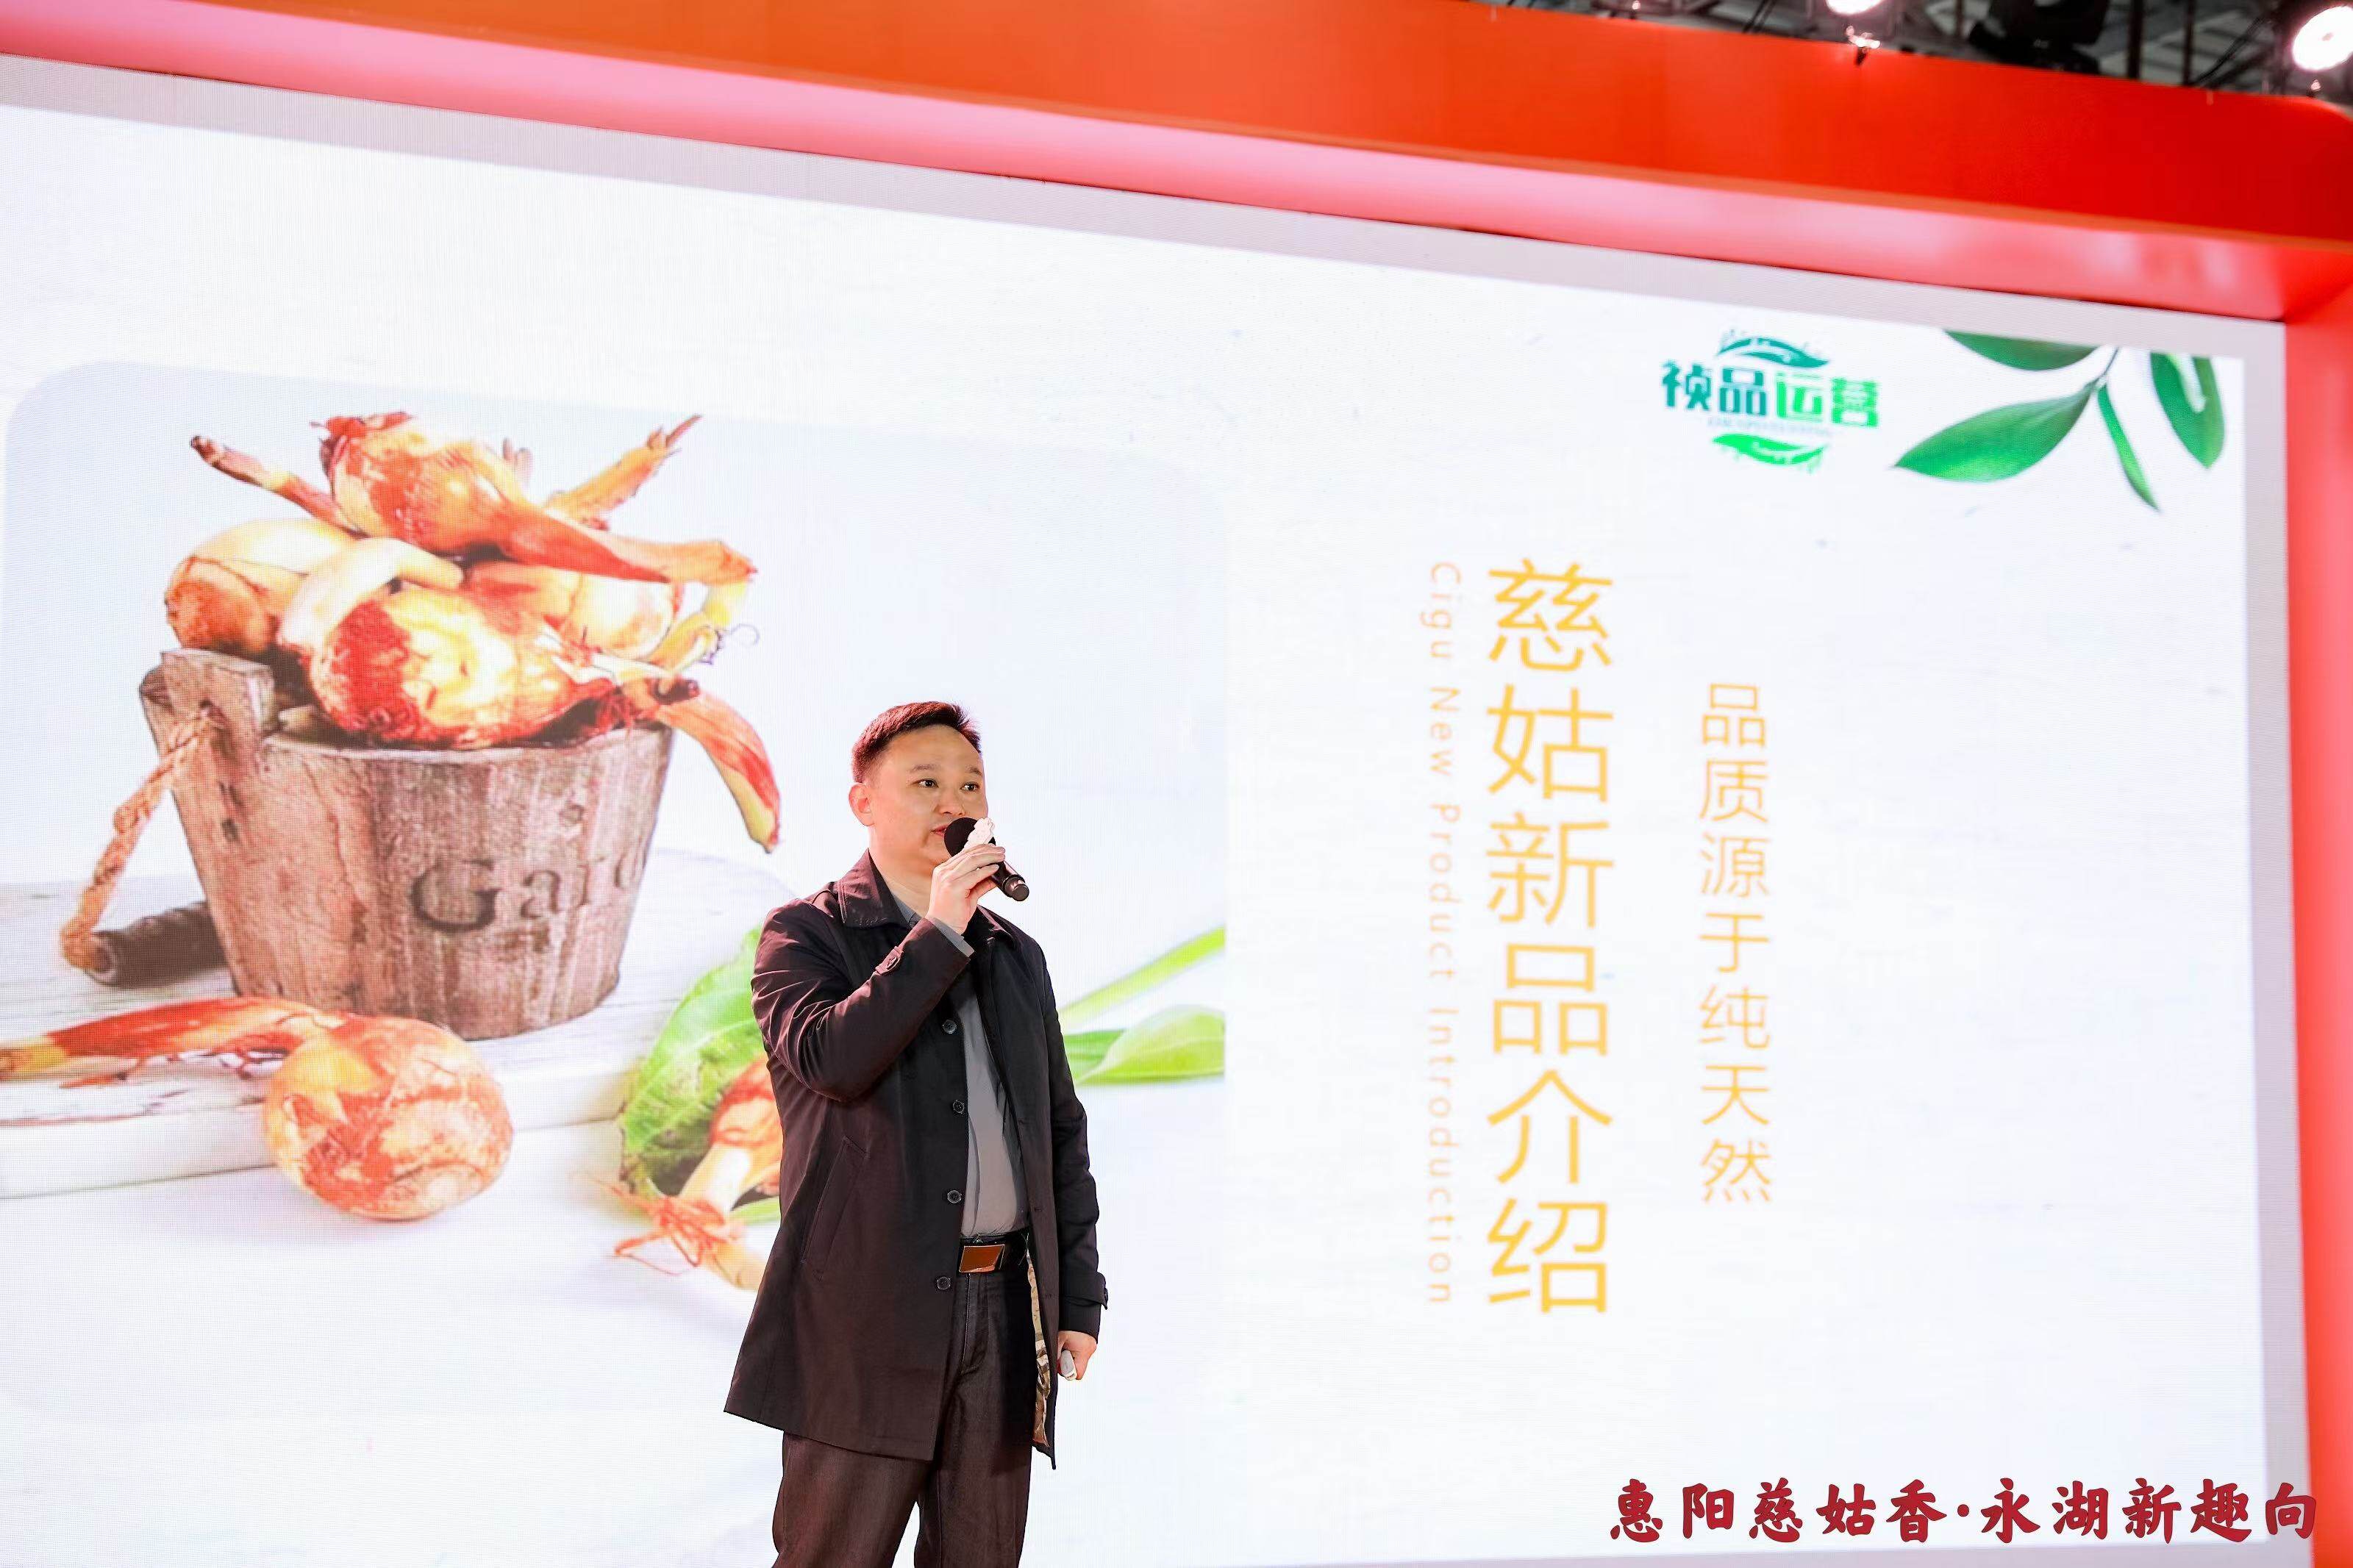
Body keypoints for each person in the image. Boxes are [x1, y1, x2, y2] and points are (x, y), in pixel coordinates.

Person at [726, 700, 1107, 1568]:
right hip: (864, 1315)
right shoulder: (806, 934)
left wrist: (1078, 1297)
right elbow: (832, 1060)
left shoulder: (1015, 955)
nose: (952, 801)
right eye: (925, 782)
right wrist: (937, 931)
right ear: (863, 803)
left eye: (969, 785)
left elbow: (1058, 1129)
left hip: (1003, 1311)